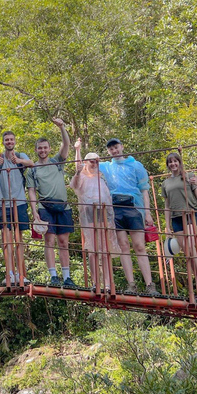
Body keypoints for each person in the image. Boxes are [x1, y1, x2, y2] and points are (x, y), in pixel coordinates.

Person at [99, 138, 158, 295]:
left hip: (133, 206)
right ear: (108, 152)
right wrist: (77, 149)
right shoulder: (106, 167)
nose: (114, 150)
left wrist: (147, 212)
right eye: (111, 149)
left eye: (116, 147)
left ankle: (150, 285)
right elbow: (84, 166)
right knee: (123, 245)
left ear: (122, 147)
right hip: (115, 208)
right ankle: (131, 285)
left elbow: (144, 189)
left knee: (139, 246)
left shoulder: (135, 165)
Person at [26, 118, 74, 286]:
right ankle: (54, 276)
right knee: (50, 241)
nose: (43, 150)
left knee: (63, 242)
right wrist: (34, 212)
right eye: (40, 148)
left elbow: (66, 145)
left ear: (49, 149)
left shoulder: (56, 162)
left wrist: (62, 127)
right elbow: (31, 191)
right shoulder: (32, 169)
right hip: (44, 206)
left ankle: (67, 277)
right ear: (36, 150)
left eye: (45, 147)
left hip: (63, 206)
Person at [0, 131, 34, 285]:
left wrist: (17, 160)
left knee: (19, 240)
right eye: (6, 140)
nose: (9, 142)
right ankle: (10, 274)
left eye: (11, 139)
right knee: (6, 241)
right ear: (3, 142)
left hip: (19, 203)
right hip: (3, 204)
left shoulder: (21, 155)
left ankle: (21, 274)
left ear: (14, 141)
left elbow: (31, 163)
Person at [70, 140, 119, 286]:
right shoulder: (82, 176)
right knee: (92, 249)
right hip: (90, 214)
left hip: (103, 214)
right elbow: (75, 185)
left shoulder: (101, 177)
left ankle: (108, 283)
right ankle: (95, 283)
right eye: (92, 161)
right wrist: (77, 151)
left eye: (97, 161)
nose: (94, 164)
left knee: (104, 249)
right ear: (86, 162)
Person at [161, 152, 197, 252]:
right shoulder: (165, 183)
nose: (173, 164)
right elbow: (167, 206)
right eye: (170, 162)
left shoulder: (189, 176)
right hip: (176, 218)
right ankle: (196, 268)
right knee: (187, 250)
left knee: (190, 245)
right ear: (168, 165)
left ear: (179, 162)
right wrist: (167, 227)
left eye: (175, 161)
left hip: (191, 214)